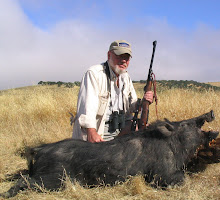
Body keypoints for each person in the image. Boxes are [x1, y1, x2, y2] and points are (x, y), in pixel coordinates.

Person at [72, 40, 153, 142]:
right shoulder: (94, 74)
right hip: (100, 128)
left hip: (120, 126)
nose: (124, 61)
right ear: (109, 55)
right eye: (119, 56)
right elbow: (87, 107)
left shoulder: (125, 77)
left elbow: (133, 106)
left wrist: (144, 102)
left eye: (126, 58)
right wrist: (91, 131)